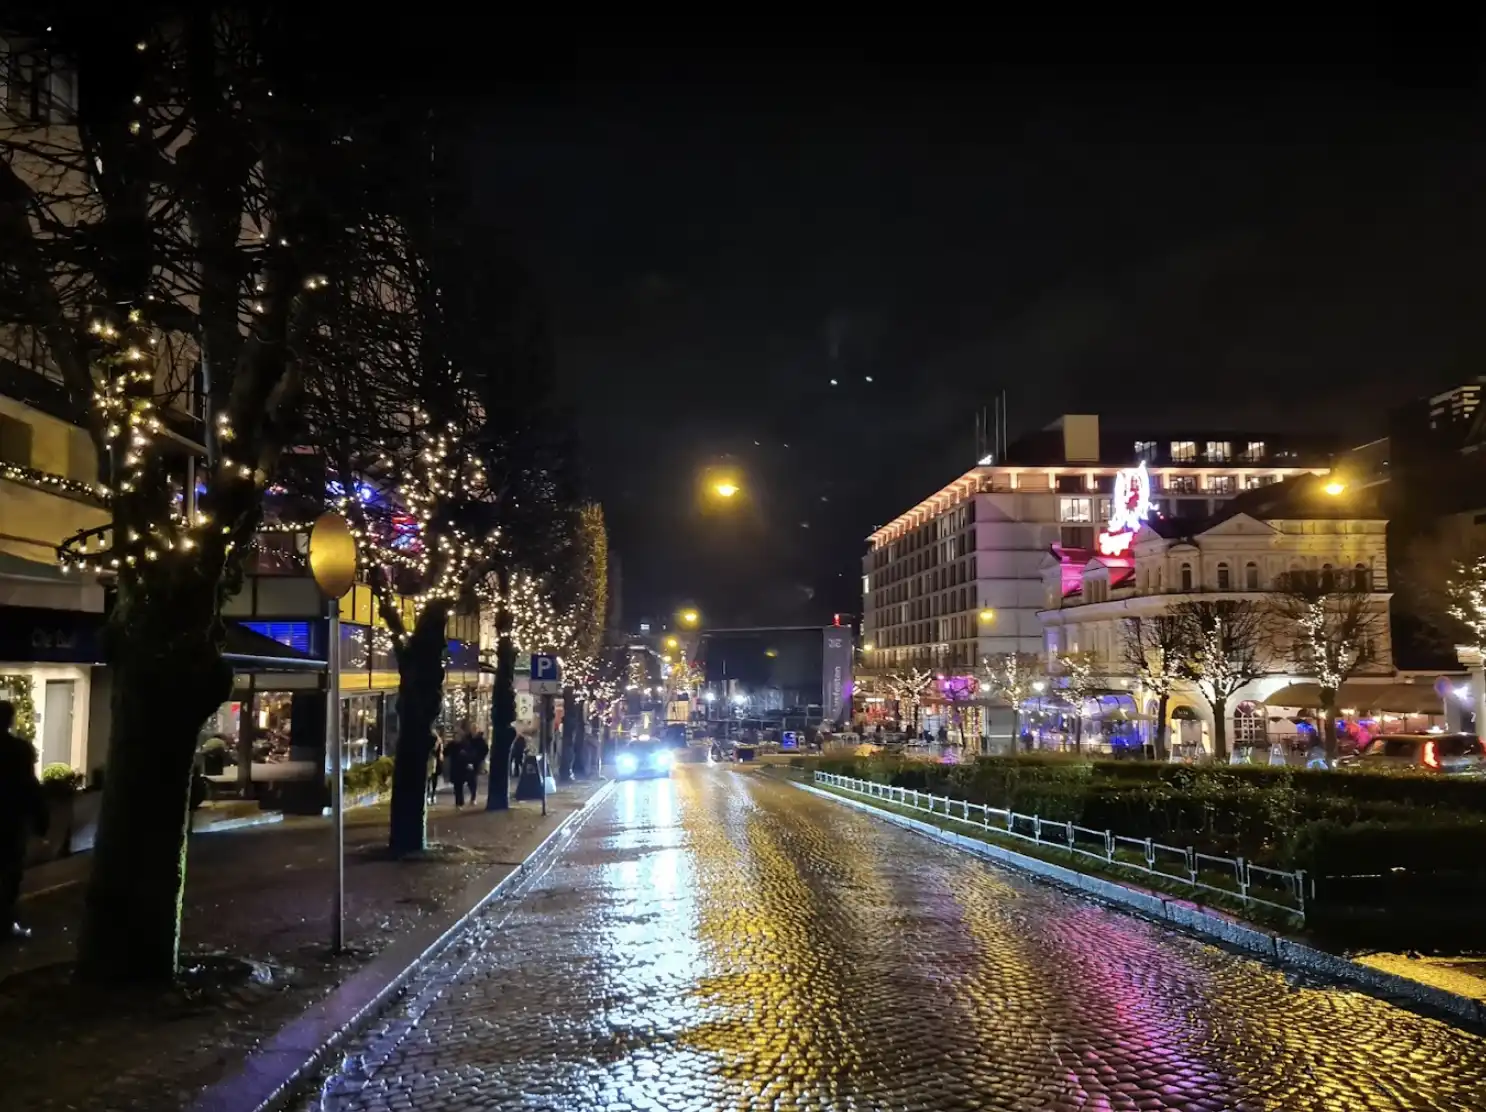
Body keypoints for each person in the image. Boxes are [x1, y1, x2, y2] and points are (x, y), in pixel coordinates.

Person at [0, 700, 48, 941]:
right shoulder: (20, 750)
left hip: (11, 820)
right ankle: (5, 922)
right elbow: (30, 786)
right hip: (10, 821)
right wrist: (42, 821)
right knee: (9, 872)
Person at [446, 734, 472, 808]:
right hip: (455, 767)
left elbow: (469, 754)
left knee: (459, 785)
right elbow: (446, 752)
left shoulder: (464, 744)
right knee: (457, 786)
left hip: (462, 768)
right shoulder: (452, 745)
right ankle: (459, 802)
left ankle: (460, 802)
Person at [466, 731, 488, 806]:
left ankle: (473, 796)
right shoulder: (468, 739)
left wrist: (480, 758)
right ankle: (473, 795)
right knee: (470, 779)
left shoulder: (480, 741)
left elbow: (485, 750)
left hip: (476, 762)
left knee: (472, 778)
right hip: (468, 761)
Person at [426, 735, 443, 805]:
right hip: (429, 761)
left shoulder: (437, 740)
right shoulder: (429, 739)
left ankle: (432, 794)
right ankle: (429, 795)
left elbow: (439, 752)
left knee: (433, 778)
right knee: (429, 779)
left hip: (434, 761)